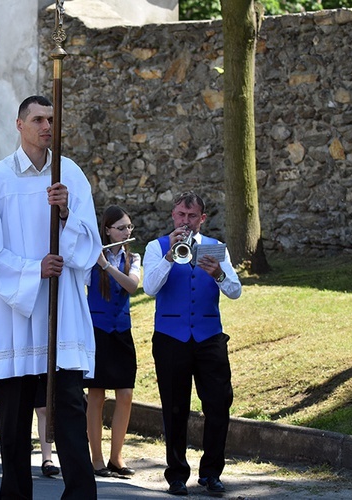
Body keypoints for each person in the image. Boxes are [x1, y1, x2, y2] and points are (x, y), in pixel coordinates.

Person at [0, 95, 100, 499]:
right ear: (19, 125)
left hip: (60, 315)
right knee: (12, 423)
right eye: (39, 119)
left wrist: (65, 214)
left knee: (70, 416)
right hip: (15, 318)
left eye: (52, 119)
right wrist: (32, 270)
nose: (47, 126)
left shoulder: (71, 176)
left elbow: (90, 247)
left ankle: (80, 494)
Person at [143, 191, 242, 497]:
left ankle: (211, 473)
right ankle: (176, 475)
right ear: (173, 216)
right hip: (171, 338)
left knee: (218, 404)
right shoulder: (155, 247)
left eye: (191, 217)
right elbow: (149, 287)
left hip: (209, 336)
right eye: (180, 216)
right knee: (174, 408)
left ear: (202, 219)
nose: (185, 222)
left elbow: (235, 291)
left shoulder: (215, 247)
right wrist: (169, 257)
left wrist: (219, 273)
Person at [85, 206, 141, 478]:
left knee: (126, 394)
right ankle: (95, 459)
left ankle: (116, 457)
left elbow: (132, 286)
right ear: (107, 230)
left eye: (129, 227)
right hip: (97, 331)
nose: (126, 232)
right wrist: (95, 260)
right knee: (96, 395)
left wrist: (106, 266)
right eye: (121, 228)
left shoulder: (134, 258)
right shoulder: (90, 259)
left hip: (122, 331)